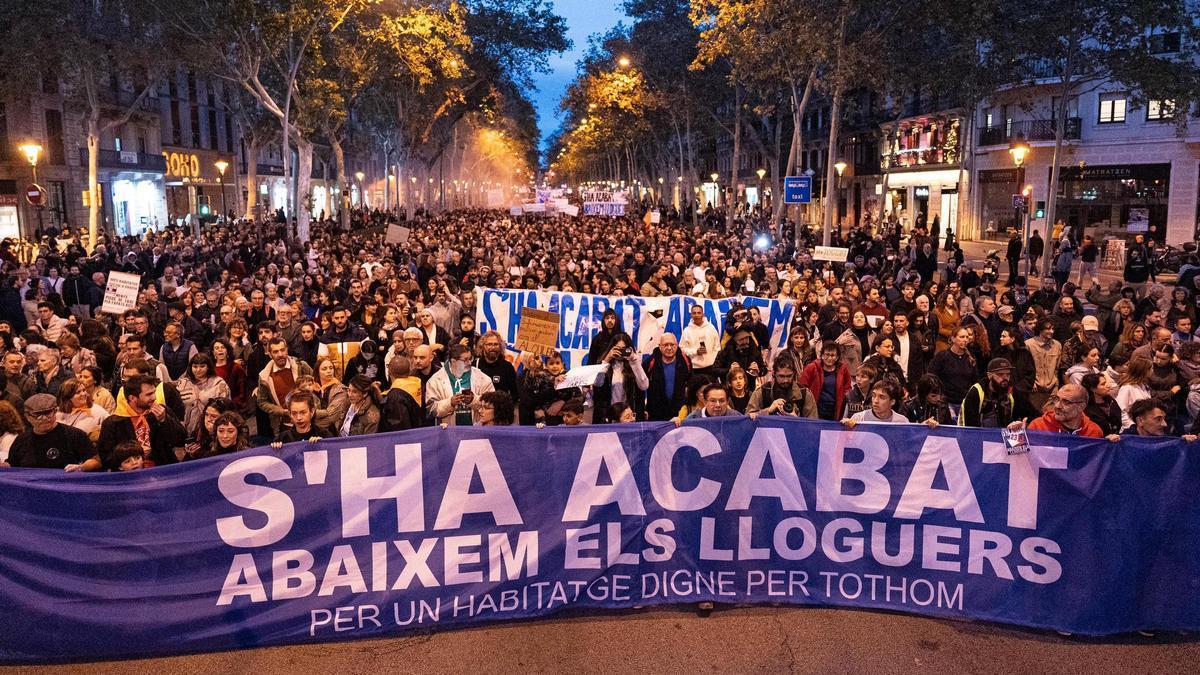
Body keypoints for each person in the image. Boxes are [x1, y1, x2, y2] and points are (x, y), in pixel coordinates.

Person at [95, 373, 188, 470]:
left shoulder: (162, 411)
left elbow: (181, 439)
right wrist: (131, 457)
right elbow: (106, 457)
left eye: (154, 392)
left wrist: (164, 420)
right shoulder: (113, 423)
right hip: (130, 477)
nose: (154, 397)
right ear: (132, 398)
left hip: (162, 470)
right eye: (149, 394)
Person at [6, 393, 94, 470]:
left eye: (48, 413)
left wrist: (81, 467)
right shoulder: (22, 440)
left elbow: (95, 461)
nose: (44, 418)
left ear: (55, 411)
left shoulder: (74, 435)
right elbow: (12, 464)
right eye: (37, 415)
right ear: (27, 416)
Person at [256, 337, 314, 438]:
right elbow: (261, 402)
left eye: (283, 350)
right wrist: (281, 411)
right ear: (269, 354)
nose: (280, 354)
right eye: (275, 351)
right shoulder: (264, 376)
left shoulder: (301, 366)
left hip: (310, 422)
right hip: (283, 426)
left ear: (287, 350)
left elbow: (316, 384)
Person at [426, 344, 496, 426]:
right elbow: (431, 410)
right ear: (453, 361)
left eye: (470, 358)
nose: (470, 362)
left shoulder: (483, 378)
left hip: (476, 431)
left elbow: (492, 405)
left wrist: (473, 400)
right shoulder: (435, 380)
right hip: (449, 433)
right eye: (465, 360)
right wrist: (450, 403)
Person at [592, 332, 649, 424]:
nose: (621, 352)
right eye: (617, 349)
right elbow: (597, 383)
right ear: (611, 348)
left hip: (629, 416)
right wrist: (606, 360)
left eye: (624, 349)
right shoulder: (605, 365)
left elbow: (644, 385)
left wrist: (633, 360)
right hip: (609, 416)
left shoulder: (634, 365)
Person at [1027, 383, 1109, 438]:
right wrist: (1017, 436)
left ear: (1081, 407)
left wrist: (1111, 445)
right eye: (1057, 399)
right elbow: (1021, 456)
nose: (1057, 406)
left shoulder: (1094, 432)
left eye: (1066, 402)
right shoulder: (1038, 426)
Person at [747, 353, 817, 418]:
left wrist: (796, 419)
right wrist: (768, 411)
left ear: (794, 374)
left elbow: (813, 424)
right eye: (781, 376)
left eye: (789, 376)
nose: (785, 380)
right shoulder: (763, 391)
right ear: (774, 374)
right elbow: (748, 418)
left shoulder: (805, 393)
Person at [927, 328, 977, 419]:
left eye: (967, 337)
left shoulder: (971, 358)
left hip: (964, 401)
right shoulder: (942, 356)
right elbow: (931, 376)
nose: (965, 339)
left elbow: (975, 380)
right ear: (953, 339)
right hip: (947, 401)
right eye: (962, 337)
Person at [176, 353, 231, 433]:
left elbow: (226, 409)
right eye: (195, 366)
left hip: (212, 429)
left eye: (202, 366)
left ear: (208, 367)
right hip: (187, 429)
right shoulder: (183, 383)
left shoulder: (219, 383)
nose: (198, 370)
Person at [643, 333, 691, 421]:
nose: (669, 348)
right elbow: (641, 388)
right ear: (659, 346)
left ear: (677, 345)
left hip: (679, 414)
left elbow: (690, 383)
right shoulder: (649, 363)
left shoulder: (686, 360)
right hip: (656, 415)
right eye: (665, 345)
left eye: (672, 345)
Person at [800, 341, 852, 421]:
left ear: (837, 357)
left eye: (832, 355)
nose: (830, 358)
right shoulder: (812, 367)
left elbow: (847, 389)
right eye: (827, 355)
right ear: (822, 355)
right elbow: (802, 385)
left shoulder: (843, 369)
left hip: (835, 410)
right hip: (815, 409)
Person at [271, 391, 337, 445]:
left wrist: (324, 445)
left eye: (303, 412)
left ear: (312, 411)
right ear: (290, 414)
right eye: (294, 413)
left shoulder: (324, 435)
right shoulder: (282, 439)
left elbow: (334, 456)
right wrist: (276, 451)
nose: (298, 418)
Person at [842, 379, 916, 427]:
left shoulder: (902, 422)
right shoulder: (858, 418)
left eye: (882, 397)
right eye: (873, 396)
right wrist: (846, 429)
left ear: (892, 402)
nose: (875, 401)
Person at [1126, 399, 1197, 440]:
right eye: (1158, 419)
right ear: (1140, 421)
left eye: (1164, 419)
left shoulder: (1168, 438)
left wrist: (1184, 442)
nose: (1165, 424)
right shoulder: (1123, 441)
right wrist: (1114, 443)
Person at [474, 330, 517, 399]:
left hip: (500, 408)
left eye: (496, 344)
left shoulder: (508, 367)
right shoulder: (475, 365)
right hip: (480, 408)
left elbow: (514, 394)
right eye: (489, 344)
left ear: (500, 346)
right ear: (483, 346)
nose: (493, 348)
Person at [1115, 358, 1154, 431]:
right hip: (1130, 430)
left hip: (1143, 428)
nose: (1153, 371)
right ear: (1144, 371)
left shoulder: (1145, 386)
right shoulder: (1127, 388)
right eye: (1151, 368)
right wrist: (1131, 425)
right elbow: (1120, 410)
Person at [1081, 372, 1123, 437]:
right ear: (1093, 389)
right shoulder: (1086, 408)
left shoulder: (1111, 401)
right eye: (1103, 384)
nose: (1108, 385)